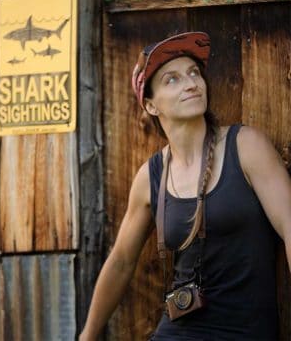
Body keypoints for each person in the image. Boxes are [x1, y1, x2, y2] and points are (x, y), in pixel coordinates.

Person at [80, 32, 291, 340]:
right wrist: (87, 336)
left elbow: (289, 225)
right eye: (172, 80)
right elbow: (122, 261)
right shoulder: (151, 176)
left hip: (245, 332)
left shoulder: (245, 146)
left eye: (194, 73)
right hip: (178, 331)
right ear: (151, 106)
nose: (191, 83)